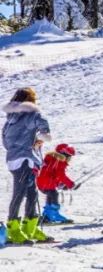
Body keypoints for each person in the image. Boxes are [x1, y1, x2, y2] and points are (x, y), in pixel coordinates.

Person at [2, 88, 52, 245]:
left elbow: (4, 140)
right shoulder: (34, 114)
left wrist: (16, 149)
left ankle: (30, 227)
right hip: (26, 159)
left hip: (14, 160)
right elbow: (46, 131)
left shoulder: (10, 118)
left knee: (31, 193)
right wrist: (40, 139)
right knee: (21, 193)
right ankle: (13, 229)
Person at [37, 144, 76, 224]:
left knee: (51, 195)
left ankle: (47, 215)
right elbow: (60, 175)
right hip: (48, 183)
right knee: (54, 194)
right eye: (69, 156)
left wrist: (60, 184)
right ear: (64, 154)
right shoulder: (59, 161)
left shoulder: (52, 158)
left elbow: (53, 173)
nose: (70, 159)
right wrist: (70, 184)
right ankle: (54, 215)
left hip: (42, 183)